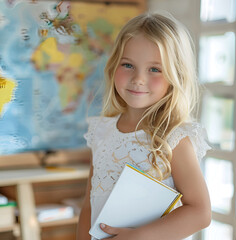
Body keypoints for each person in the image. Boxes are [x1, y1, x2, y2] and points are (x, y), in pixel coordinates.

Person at [77, 11, 211, 240]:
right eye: (128, 65)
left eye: (154, 69)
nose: (138, 78)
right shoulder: (101, 132)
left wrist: (138, 236)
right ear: (113, 66)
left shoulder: (175, 139)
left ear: (175, 75)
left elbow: (200, 212)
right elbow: (89, 205)